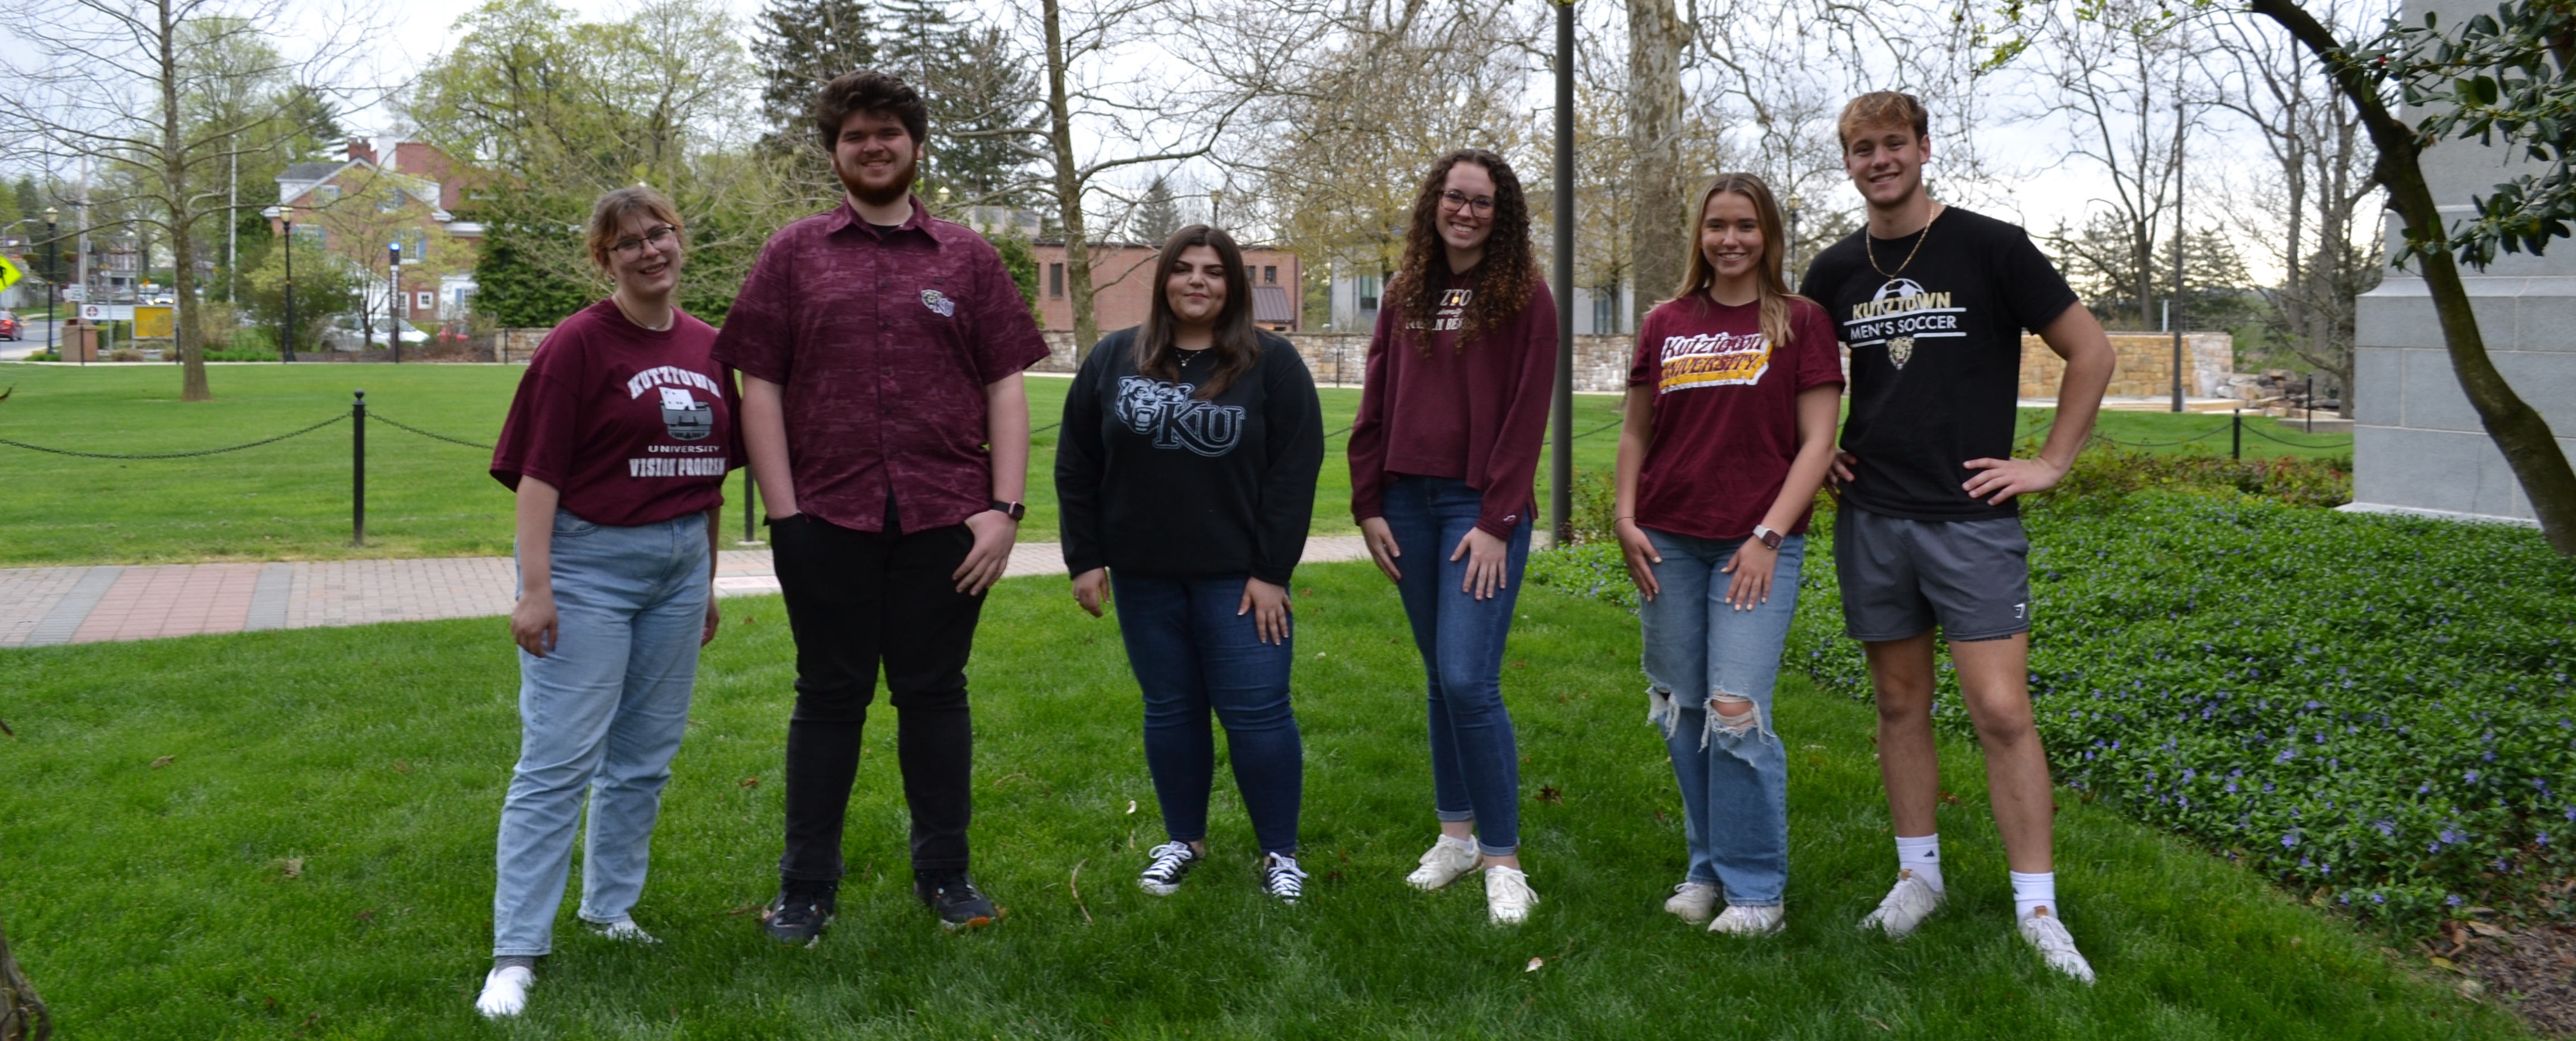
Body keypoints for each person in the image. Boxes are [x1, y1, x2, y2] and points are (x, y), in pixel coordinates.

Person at [711, 70, 1049, 943]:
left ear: (915, 145)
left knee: (936, 696)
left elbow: (1005, 383)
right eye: (856, 134)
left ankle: (946, 876)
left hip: (947, 520)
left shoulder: (968, 258)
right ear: (836, 151)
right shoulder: (793, 254)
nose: (873, 146)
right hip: (825, 517)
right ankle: (805, 887)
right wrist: (785, 516)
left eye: (888, 132)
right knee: (828, 697)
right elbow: (761, 384)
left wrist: (1004, 507)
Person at [1798, 91, 2116, 982]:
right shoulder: (1833, 271)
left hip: (1971, 518)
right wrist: (1813, 454)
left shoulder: (1991, 246)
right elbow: (1799, 382)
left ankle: (2037, 906)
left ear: (1923, 149)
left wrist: (2050, 462)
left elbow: (2090, 352)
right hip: (1874, 518)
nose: (1878, 161)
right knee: (1900, 706)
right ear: (1849, 161)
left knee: (2003, 712)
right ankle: (1918, 878)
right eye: (1862, 149)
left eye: (1892, 144)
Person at [477, 186, 737, 1018]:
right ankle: (515, 951)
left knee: (645, 756)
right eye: (628, 243)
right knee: (557, 759)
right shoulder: (577, 346)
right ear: (605, 259)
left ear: (679, 238)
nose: (649, 250)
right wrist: (538, 586)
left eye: (659, 232)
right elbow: (538, 475)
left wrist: (706, 579)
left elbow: (711, 484)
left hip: (677, 567)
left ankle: (608, 907)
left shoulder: (709, 347)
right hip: (589, 565)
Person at [1056, 224, 1327, 904]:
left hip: (1240, 585)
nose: (1197, 281)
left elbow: (1295, 473)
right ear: (1164, 280)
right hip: (1145, 577)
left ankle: (1280, 854)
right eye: (1183, 269)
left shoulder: (1273, 363)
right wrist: (1085, 558)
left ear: (1233, 284)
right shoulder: (1115, 358)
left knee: (1259, 715)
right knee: (1171, 711)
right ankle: (1184, 840)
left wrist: (1271, 573)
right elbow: (1076, 465)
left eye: (1213, 271)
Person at [1611, 173, 1843, 937]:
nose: (1732, 239)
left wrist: (1768, 535)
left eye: (1747, 225)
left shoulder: (1801, 321)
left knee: (1735, 708)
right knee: (1684, 711)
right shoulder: (1666, 321)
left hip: (1758, 544)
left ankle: (1757, 892)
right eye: (1718, 225)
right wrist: (1623, 515)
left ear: (1769, 234)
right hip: (1669, 538)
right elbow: (1638, 429)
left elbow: (1818, 442)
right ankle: (1706, 866)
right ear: (1700, 235)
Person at [1348, 148, 1557, 925]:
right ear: (1433, 203)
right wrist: (1368, 502)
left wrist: (1498, 520)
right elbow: (1376, 396)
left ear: (1502, 216)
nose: (1465, 211)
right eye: (1454, 197)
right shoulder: (1405, 291)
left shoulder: (1525, 298)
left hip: (1478, 509)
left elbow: (1528, 413)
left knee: (1470, 678)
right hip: (1406, 502)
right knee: (1439, 675)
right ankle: (1456, 835)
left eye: (1483, 202)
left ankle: (1503, 857)